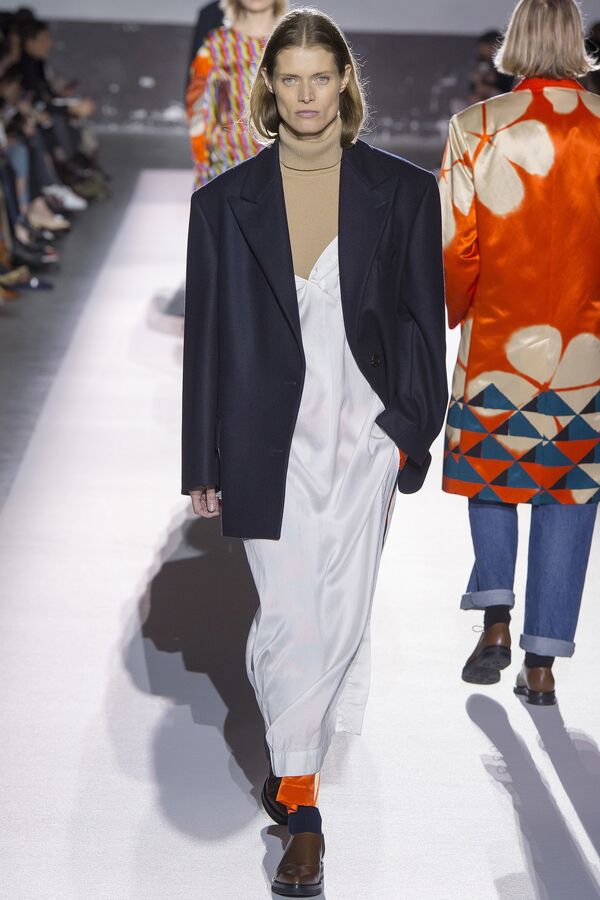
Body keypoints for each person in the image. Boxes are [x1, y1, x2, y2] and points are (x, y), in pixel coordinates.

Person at [182, 8, 446, 895]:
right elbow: (209, 339)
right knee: (292, 618)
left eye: (319, 78)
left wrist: (408, 430)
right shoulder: (223, 205)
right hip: (268, 440)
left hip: (364, 438)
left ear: (344, 83)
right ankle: (304, 812)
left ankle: (294, 767)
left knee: (339, 616)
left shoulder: (403, 192)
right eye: (289, 79)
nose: (305, 95)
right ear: (269, 87)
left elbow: (422, 323)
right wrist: (201, 459)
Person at [439, 0, 600, 706]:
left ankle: (497, 621)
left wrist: (455, 312)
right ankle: (542, 666)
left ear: (515, 41)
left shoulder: (476, 127)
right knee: (571, 495)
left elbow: (455, 244)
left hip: (500, 344)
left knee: (493, 477)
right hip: (587, 351)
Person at [185, 0, 287, 187]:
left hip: (284, 169)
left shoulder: (294, 43)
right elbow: (198, 111)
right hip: (227, 168)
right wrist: (203, 171)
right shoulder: (216, 45)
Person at [468, 29, 515, 103]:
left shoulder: (507, 64)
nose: (481, 50)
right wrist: (478, 81)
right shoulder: (482, 62)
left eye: (484, 47)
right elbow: (474, 88)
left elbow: (507, 86)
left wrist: (494, 79)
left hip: (503, 98)